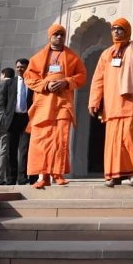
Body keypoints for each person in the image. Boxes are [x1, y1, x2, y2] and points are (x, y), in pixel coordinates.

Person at [88, 17, 133, 187]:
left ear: (127, 31)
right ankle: (113, 175)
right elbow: (98, 79)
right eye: (114, 28)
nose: (116, 31)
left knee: (129, 136)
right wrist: (94, 101)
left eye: (120, 29)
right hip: (111, 102)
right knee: (113, 140)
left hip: (130, 100)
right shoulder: (106, 53)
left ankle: (132, 173)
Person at [24, 23, 87, 189]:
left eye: (61, 35)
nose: (59, 37)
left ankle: (58, 174)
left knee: (60, 139)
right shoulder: (37, 58)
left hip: (62, 104)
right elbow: (29, 78)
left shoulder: (72, 57)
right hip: (44, 104)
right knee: (42, 140)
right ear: (50, 36)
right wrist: (46, 85)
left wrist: (66, 82)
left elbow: (81, 76)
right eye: (56, 34)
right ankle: (43, 176)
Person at [8, 58, 34, 185]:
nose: (20, 69)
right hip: (12, 119)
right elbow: (4, 102)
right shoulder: (10, 83)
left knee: (24, 150)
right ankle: (11, 177)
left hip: (27, 119)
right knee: (11, 150)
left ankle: (22, 177)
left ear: (27, 68)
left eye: (22, 67)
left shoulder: (32, 83)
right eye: (18, 67)